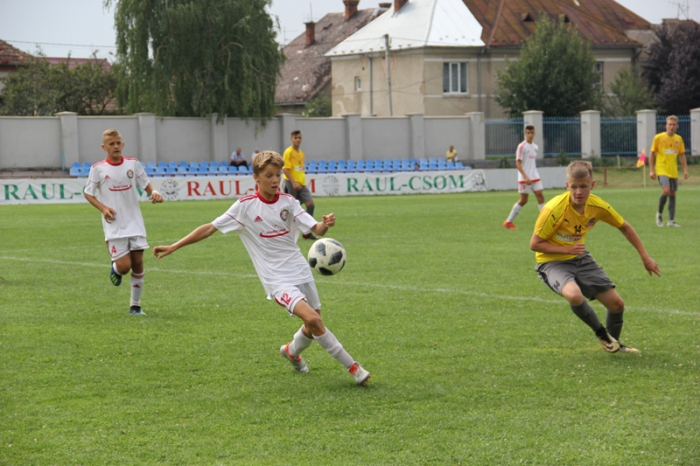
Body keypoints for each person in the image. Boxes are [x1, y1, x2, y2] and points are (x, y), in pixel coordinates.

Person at [152, 151, 371, 385]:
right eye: (269, 175)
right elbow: (210, 228)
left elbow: (315, 229)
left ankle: (290, 351)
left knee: (312, 323)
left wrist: (325, 224)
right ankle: (353, 367)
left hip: (300, 269)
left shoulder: (289, 201)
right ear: (256, 177)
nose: (276, 180)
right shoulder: (245, 207)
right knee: (316, 322)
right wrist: (175, 246)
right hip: (276, 279)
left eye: (278, 174)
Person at [530, 160, 660, 354]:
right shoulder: (553, 209)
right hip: (551, 262)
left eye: (583, 186)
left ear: (592, 185)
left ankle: (614, 344)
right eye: (574, 187)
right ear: (567, 186)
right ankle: (602, 333)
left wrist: (645, 257)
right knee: (574, 295)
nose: (579, 192)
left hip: (579, 257)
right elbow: (534, 244)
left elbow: (624, 226)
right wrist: (567, 250)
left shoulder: (597, 206)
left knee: (616, 304)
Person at [84, 129, 164, 315]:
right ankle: (115, 269)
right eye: (111, 144)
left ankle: (135, 306)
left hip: (134, 221)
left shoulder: (132, 163)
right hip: (115, 223)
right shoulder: (98, 168)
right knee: (124, 267)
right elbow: (88, 193)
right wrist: (103, 208)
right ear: (104, 147)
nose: (116, 146)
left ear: (123, 144)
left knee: (138, 262)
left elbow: (145, 183)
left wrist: (154, 192)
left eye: (118, 143)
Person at [650, 115, 689, 227]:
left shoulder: (678, 139)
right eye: (669, 124)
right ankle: (659, 214)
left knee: (672, 193)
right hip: (662, 169)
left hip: (673, 170)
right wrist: (652, 170)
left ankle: (671, 221)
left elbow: (682, 155)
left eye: (673, 125)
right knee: (666, 191)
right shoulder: (659, 138)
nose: (671, 127)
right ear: (666, 125)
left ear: (677, 126)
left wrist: (685, 170)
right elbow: (652, 154)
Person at [503, 125, 545, 230]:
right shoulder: (522, 146)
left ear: (534, 134)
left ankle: (544, 221)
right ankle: (508, 221)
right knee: (523, 200)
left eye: (532, 133)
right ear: (525, 134)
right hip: (524, 178)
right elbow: (518, 163)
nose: (530, 135)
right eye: (528, 133)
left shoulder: (535, 147)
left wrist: (532, 174)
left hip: (535, 176)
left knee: (540, 196)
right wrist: (525, 176)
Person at [283, 130, 316, 240]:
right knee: (290, 209)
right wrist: (293, 182)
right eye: (295, 137)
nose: (298, 139)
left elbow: (299, 169)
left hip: (301, 184)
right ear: (291, 139)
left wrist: (299, 182)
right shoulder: (288, 152)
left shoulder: (301, 153)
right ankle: (283, 231)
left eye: (299, 137)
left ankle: (307, 232)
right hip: (291, 183)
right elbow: (285, 169)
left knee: (310, 205)